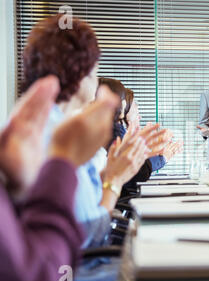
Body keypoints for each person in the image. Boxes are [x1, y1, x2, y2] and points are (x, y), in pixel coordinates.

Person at [22, 14, 169, 248]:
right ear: (80, 72)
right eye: (95, 69)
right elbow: (90, 232)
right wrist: (114, 180)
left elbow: (83, 200)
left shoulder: (51, 125)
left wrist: (113, 171)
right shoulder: (60, 136)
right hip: (88, 269)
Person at [0, 75, 119, 281]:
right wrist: (115, 182)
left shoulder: (40, 132)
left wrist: (18, 191)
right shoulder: (63, 136)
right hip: (81, 280)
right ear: (82, 76)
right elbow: (39, 279)